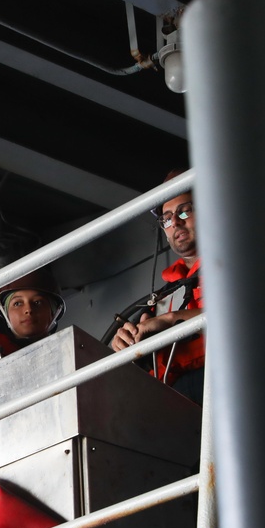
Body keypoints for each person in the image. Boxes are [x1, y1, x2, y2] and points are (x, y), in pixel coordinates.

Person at [111, 169, 204, 404]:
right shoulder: (165, 294)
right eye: (168, 218)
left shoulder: (243, 265)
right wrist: (126, 344)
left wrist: (170, 320)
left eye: (184, 211)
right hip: (175, 398)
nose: (176, 223)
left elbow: (253, 317)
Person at [0, 267, 66, 367]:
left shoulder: (70, 353)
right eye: (18, 303)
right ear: (6, 313)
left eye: (37, 302)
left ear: (54, 312)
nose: (28, 309)